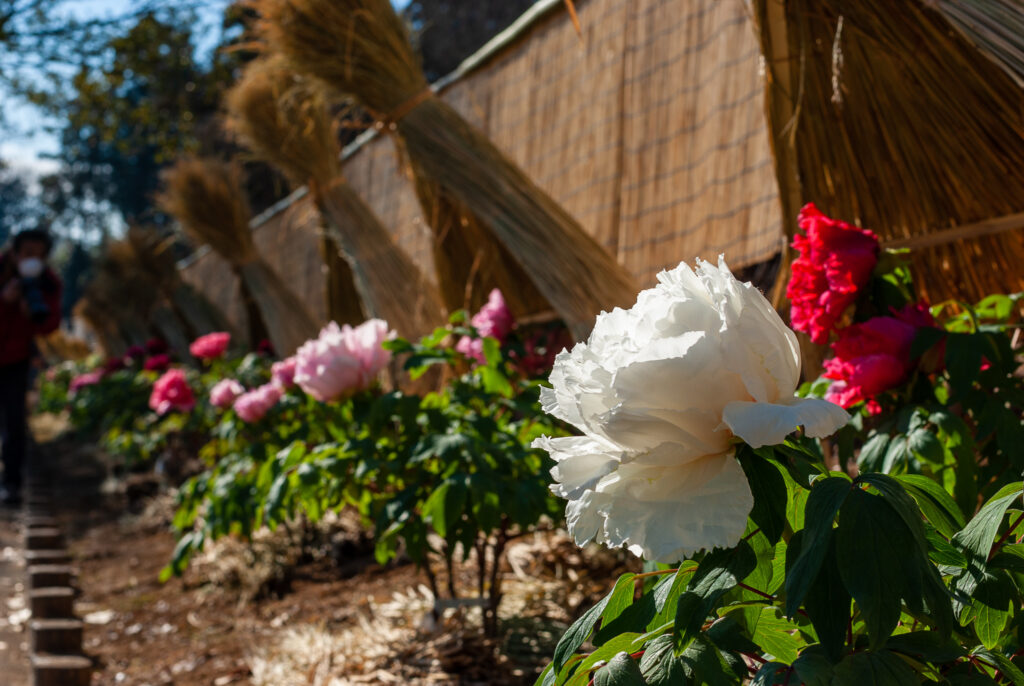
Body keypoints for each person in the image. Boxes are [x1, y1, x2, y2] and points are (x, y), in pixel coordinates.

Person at [0, 229, 62, 505]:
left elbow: (50, 324)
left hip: (16, 360)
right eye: (27, 254)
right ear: (13, 253)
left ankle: (11, 483)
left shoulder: (48, 283)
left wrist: (31, 312)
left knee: (14, 422)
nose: (32, 260)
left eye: (39, 256)